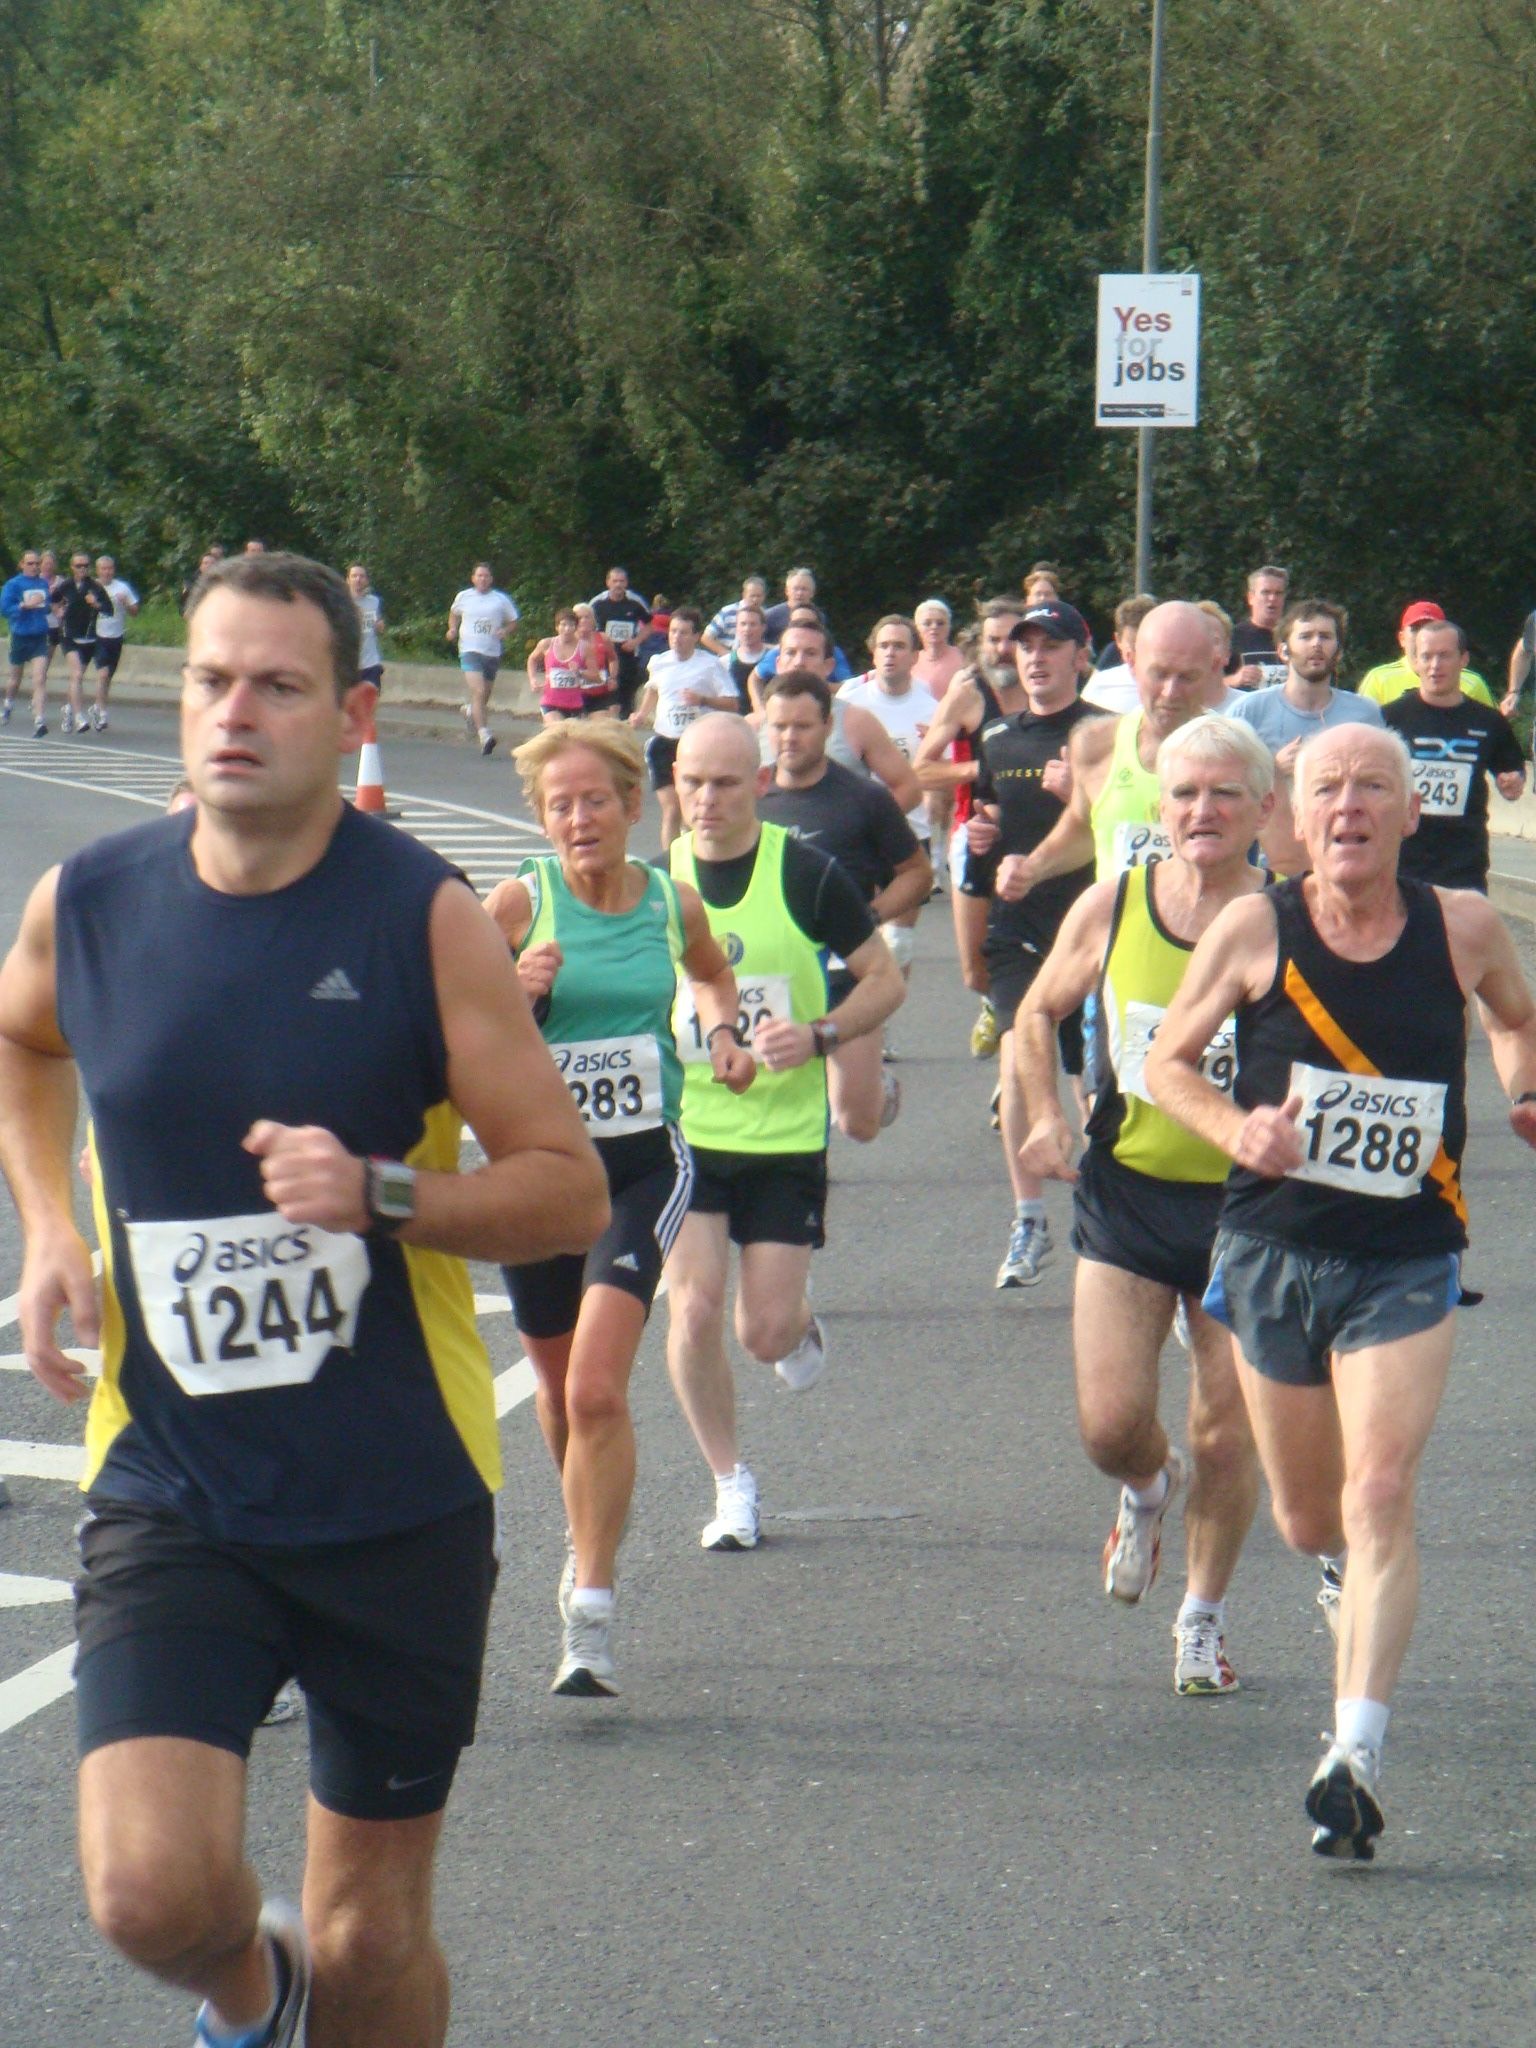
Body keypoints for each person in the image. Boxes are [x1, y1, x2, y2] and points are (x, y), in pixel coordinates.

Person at [0, 551, 608, 2046]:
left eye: (277, 686)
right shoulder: (91, 901)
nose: (233, 712)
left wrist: (385, 1193)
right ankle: (251, 1996)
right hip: (173, 1480)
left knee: (371, 1934)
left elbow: (569, 1190)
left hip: (395, 1491)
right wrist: (49, 1224)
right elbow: (22, 1043)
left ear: (351, 716)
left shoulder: (423, 917)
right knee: (146, 1892)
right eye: (212, 679)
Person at [1144, 721, 1536, 1860]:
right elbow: (1167, 1063)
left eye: (1374, 787)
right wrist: (1238, 1128)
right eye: (1328, 788)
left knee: (1378, 1491)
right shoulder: (1254, 927)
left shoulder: (1463, 926)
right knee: (1310, 1518)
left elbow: (1517, 1017)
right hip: (1273, 1248)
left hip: (1407, 1254)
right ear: (1293, 816)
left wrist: (1521, 1088)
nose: (1350, 806)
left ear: (1413, 812)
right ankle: (1340, 1581)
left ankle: (1354, 1753)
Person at [486, 722, 753, 1695]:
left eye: (595, 799)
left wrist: (720, 1033)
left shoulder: (670, 901)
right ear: (541, 819)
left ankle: (590, 1611)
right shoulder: (518, 902)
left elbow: (711, 970)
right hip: (536, 1174)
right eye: (559, 805)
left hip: (640, 1166)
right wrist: (513, 991)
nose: (579, 819)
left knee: (597, 1388)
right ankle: (583, 1527)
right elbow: (453, 1026)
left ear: (634, 805)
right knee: (559, 1391)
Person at [1016, 716, 1276, 1693]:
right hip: (1128, 1191)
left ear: (1263, 809)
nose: (1202, 811)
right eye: (1184, 794)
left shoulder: (1289, 918)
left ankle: (1201, 1620)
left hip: (1249, 1209)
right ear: (1158, 806)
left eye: (1224, 794)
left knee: (1226, 1431)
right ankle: (1147, 1488)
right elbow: (1036, 1011)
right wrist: (1047, 1114)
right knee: (1110, 1426)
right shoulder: (1115, 903)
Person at [664, 715, 905, 1547]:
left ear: (761, 784)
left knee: (762, 1332)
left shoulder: (805, 873)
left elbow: (884, 980)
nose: (706, 799)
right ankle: (730, 1483)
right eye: (692, 782)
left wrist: (820, 1035)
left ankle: (796, 1322)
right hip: (689, 1129)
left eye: (725, 783)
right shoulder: (657, 882)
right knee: (692, 1308)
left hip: (784, 1133)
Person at [966, 602, 1105, 1285]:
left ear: (1081, 655)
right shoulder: (997, 736)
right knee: (1019, 1054)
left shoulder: (1105, 735)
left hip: (1094, 928)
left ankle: (1109, 1211)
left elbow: (1136, 825)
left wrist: (1084, 792)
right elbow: (988, 817)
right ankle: (1028, 1221)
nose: (1036, 658)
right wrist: (983, 835)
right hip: (1018, 927)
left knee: (1092, 1079)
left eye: (1051, 645)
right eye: (1026, 647)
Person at [759, 670, 930, 1137]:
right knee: (779, 1103)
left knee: (856, 1124)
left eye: (802, 726)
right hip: (772, 972)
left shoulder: (864, 799)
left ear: (828, 726)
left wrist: (866, 918)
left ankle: (874, 1085)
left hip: (845, 969)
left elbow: (917, 874)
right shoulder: (751, 797)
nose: (789, 738)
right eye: (779, 726)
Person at [996, 598, 1217, 896]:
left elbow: (1279, 858)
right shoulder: (1095, 743)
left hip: (1208, 926)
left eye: (1187, 677)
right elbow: (1084, 826)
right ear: (1132, 664)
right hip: (1119, 923)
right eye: (1160, 674)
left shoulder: (1238, 756)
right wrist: (1030, 868)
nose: (1171, 691)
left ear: (1213, 668)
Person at [912, 599, 1028, 1053]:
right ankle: (994, 1004)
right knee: (974, 971)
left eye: (1012, 640)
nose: (1002, 650)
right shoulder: (969, 694)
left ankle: (1019, 1037)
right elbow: (922, 770)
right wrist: (982, 769)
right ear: (979, 645)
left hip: (1037, 836)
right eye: (993, 640)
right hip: (975, 835)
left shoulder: (1050, 691)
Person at [1382, 619, 1525, 891]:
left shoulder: (1489, 722)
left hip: (1463, 867)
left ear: (1464, 660)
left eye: (1444, 656)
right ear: (1415, 661)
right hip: (1401, 865)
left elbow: (1512, 773)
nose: (1435, 665)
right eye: (1427, 656)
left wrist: (1512, 782)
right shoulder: (1390, 718)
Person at [836, 616, 939, 979]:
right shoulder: (849, 704)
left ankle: (886, 1011)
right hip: (855, 836)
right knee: (853, 938)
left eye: (899, 646)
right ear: (873, 653)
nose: (890, 653)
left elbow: (942, 775)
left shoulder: (933, 709)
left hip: (909, 834)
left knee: (897, 942)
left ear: (915, 656)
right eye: (884, 646)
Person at [766, 618, 923, 809]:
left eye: (810, 653)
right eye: (791, 652)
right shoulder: (753, 726)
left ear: (828, 666)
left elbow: (908, 787)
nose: (799, 662)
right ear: (778, 663)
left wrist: (868, 825)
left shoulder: (856, 721)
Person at [629, 607, 740, 846]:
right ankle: (670, 863)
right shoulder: (659, 662)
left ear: (696, 636)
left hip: (697, 747)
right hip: (664, 743)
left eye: (683, 632)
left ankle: (692, 854)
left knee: (690, 813)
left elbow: (732, 703)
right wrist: (641, 714)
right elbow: (653, 690)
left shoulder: (711, 665)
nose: (676, 637)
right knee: (672, 809)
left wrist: (703, 700)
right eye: (673, 631)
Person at [1225, 602, 1383, 767]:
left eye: (1325, 636)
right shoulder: (1247, 712)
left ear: (1339, 652)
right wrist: (1274, 769)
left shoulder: (1364, 714)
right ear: (1283, 651)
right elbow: (1224, 775)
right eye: (1306, 636)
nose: (1317, 644)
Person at [1359, 600, 1495, 709]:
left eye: (1431, 628)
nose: (1422, 634)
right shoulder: (1379, 679)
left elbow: (1490, 727)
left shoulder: (1472, 683)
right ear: (1402, 638)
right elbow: (1362, 726)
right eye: (1415, 629)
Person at [446, 562, 520, 756]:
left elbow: (513, 621)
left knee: (484, 695)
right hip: (469, 650)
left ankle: (470, 711)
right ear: (473, 578)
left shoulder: (500, 600)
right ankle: (484, 735)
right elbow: (454, 613)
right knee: (478, 690)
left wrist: (505, 631)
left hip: (492, 652)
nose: (483, 579)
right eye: (479, 576)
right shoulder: (464, 597)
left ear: (491, 579)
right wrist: (452, 628)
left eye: (486, 576)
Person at [49, 551, 115, 736]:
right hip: (69, 636)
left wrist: (96, 604)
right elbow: (52, 601)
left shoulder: (95, 587)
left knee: (77, 677)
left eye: (86, 565)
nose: (83, 569)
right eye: (79, 566)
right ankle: (79, 717)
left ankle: (68, 708)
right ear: (72, 567)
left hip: (89, 638)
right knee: (77, 674)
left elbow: (109, 610)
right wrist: (57, 611)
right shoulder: (65, 586)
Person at [2, 547, 53, 735]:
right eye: (30, 563)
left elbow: (46, 607)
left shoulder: (43, 583)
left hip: (39, 636)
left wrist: (49, 607)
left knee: (39, 678)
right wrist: (24, 605)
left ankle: (39, 721)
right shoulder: (13, 584)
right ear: (22, 564)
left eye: (37, 563)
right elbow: (4, 609)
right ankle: (8, 705)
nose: (34, 567)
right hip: (20, 636)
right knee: (15, 679)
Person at [588, 568, 651, 717]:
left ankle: (625, 724)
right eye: (615, 581)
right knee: (606, 699)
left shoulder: (635, 602)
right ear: (608, 582)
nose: (618, 585)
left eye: (621, 581)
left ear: (626, 583)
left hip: (627, 656)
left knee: (626, 700)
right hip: (603, 658)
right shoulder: (597, 604)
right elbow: (584, 626)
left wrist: (636, 641)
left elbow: (650, 625)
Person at [526, 607, 607, 723]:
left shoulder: (584, 648)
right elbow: (532, 659)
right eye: (563, 625)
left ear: (576, 627)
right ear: (557, 627)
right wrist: (532, 679)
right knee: (557, 728)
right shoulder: (546, 644)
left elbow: (596, 677)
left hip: (574, 704)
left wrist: (579, 672)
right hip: (550, 702)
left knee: (572, 733)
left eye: (571, 625)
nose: (567, 629)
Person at [89, 555, 140, 728]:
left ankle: (99, 706)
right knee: (103, 674)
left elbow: (135, 612)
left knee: (108, 677)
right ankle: (101, 713)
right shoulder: (92, 588)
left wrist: (126, 603)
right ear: (98, 571)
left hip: (116, 637)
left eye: (110, 568)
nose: (107, 572)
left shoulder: (122, 587)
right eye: (103, 569)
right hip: (97, 636)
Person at [1084, 595, 1157, 712]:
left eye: (1146, 644)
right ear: (1118, 640)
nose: (1139, 654)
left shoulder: (1174, 684)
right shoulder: (1101, 683)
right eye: (1133, 646)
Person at [1229, 565, 1290, 689]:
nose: (1272, 598)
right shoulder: (1232, 637)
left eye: (1278, 593)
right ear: (1250, 598)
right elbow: (1206, 685)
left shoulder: (1295, 636)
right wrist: (1235, 679)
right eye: (1265, 592)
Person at [702, 575, 769, 657]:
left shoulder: (766, 614)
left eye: (759, 596)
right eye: (752, 596)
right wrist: (727, 654)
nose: (755, 599)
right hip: (726, 657)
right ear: (744, 595)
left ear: (764, 596)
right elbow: (706, 638)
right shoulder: (728, 611)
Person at [722, 598, 769, 712]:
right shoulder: (725, 662)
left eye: (753, 624)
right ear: (737, 628)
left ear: (763, 628)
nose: (747, 629)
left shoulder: (774, 658)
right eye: (743, 624)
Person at [346, 564, 384, 691]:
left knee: (370, 700)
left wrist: (379, 626)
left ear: (367, 581)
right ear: (348, 580)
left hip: (371, 663)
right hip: (348, 664)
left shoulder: (374, 601)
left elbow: (379, 626)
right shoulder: (341, 601)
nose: (358, 579)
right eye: (354, 576)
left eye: (362, 576)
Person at [761, 566, 819, 644]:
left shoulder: (818, 616)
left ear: (812, 593)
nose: (800, 593)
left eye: (804, 589)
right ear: (787, 591)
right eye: (796, 589)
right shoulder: (770, 616)